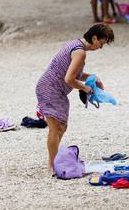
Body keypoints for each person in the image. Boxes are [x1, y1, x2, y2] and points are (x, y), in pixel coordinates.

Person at [35, 23, 114, 172]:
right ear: (94, 37)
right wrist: (86, 88)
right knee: (55, 129)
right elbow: (69, 79)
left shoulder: (76, 45)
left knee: (62, 127)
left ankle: (55, 161)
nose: (101, 47)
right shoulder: (80, 52)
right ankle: (53, 166)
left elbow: (73, 73)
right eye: (101, 43)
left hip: (53, 88)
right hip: (50, 88)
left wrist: (92, 77)